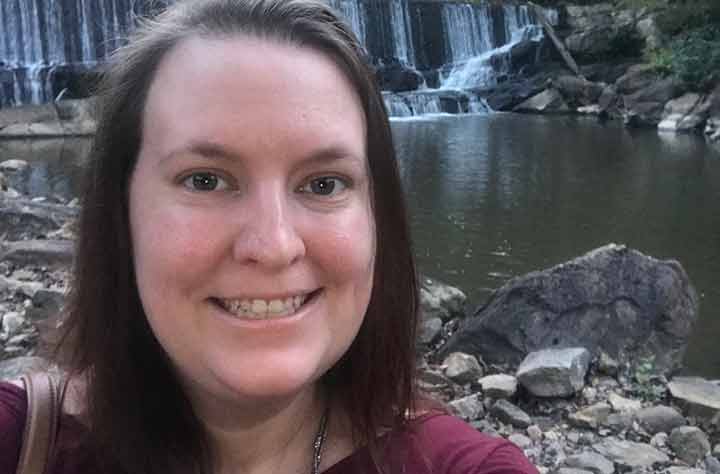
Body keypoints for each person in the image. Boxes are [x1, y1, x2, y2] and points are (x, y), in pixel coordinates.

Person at [0, 1, 539, 473]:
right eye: (205, 180)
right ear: (120, 213)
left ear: (378, 218)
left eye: (324, 183)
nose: (275, 245)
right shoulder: (18, 440)